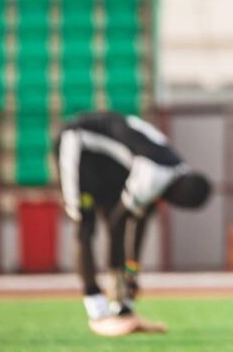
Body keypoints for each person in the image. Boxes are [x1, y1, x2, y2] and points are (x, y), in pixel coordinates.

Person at [55, 112, 212, 337]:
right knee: (85, 224)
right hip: (79, 144)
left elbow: (138, 222)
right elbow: (118, 224)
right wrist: (120, 279)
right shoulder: (155, 176)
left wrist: (132, 272)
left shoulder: (176, 171)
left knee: (113, 216)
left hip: (105, 162)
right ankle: (97, 309)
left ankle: (122, 309)